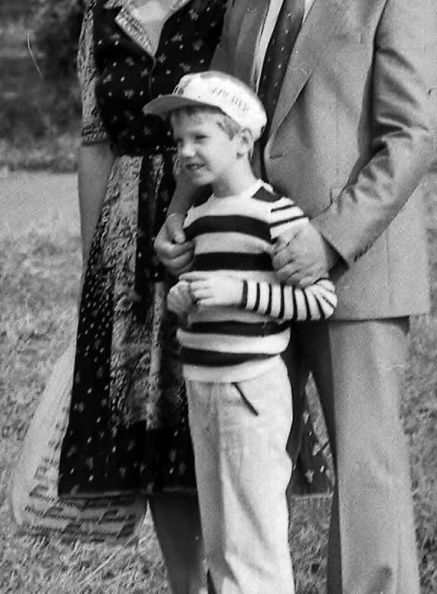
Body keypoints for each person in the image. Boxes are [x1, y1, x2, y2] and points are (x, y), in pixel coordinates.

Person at [60, 0, 412, 594]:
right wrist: (112, 256)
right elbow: (96, 140)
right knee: (170, 431)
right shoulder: (123, 11)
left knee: (268, 428)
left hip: (257, 234)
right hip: (160, 240)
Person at [155, 0, 437, 594]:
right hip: (250, 267)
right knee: (248, 463)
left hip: (357, 271)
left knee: (365, 465)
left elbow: (410, 137)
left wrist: (329, 238)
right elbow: (217, 118)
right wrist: (183, 209)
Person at [143, 71, 337, 594]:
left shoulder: (274, 212)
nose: (186, 152)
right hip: (201, 385)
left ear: (242, 140)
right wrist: (184, 302)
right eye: (179, 141)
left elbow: (320, 299)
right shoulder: (199, 217)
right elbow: (204, 301)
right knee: (222, 535)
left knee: (254, 531)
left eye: (200, 137)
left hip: (250, 388)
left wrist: (239, 292)